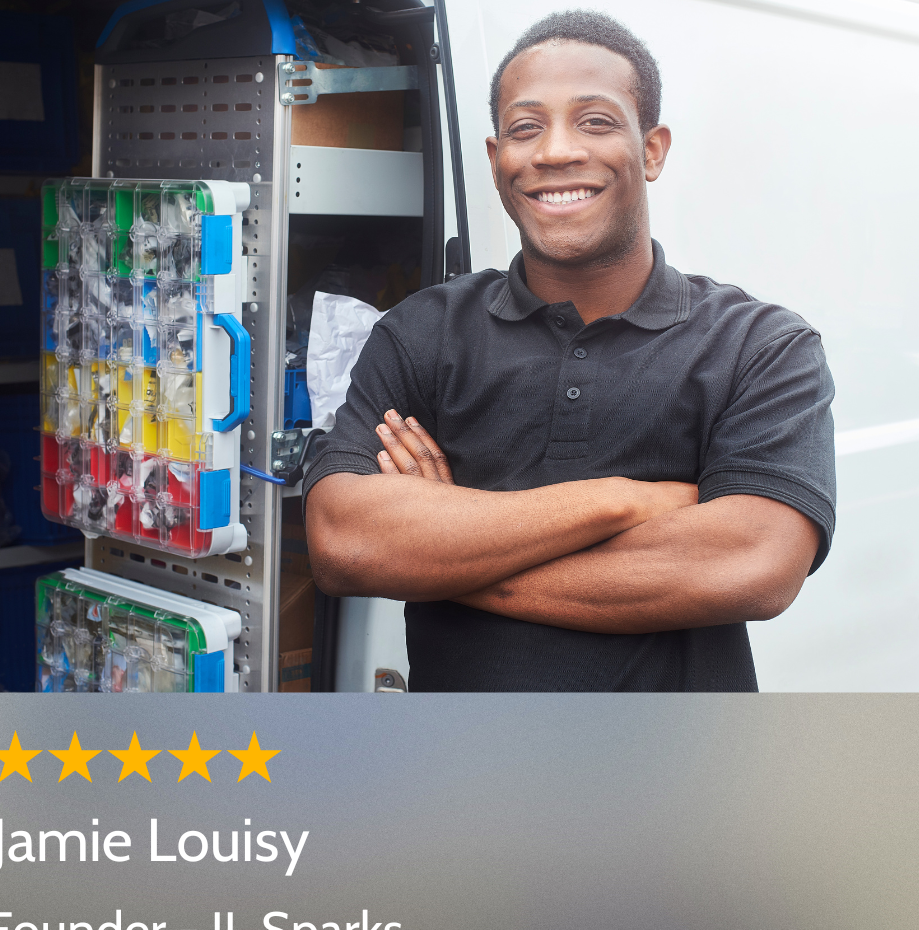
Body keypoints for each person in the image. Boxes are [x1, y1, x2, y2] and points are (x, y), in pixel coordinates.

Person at [302, 9, 836, 692]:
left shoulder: (760, 346)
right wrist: (618, 502)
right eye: (526, 128)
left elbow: (753, 565)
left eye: (596, 121)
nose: (555, 151)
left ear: (653, 149)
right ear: (496, 162)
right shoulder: (423, 333)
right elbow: (347, 542)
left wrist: (444, 550)